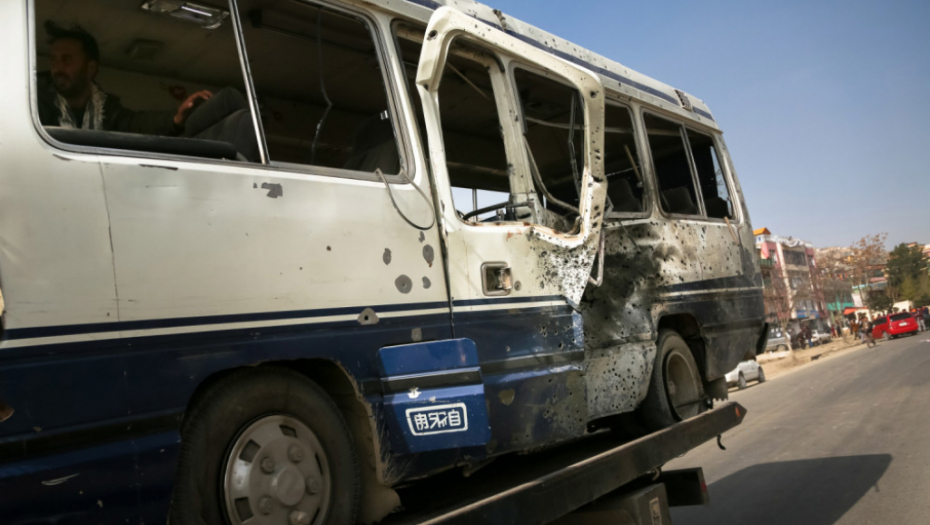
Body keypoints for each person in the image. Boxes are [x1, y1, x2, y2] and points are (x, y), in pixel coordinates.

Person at [37, 22, 258, 160]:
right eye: (53, 60)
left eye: (66, 59)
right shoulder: (33, 104)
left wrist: (176, 117)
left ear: (91, 68)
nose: (57, 68)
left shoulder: (107, 109)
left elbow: (136, 123)